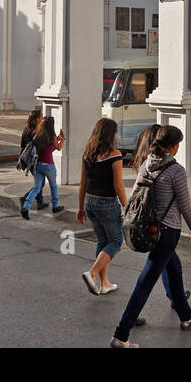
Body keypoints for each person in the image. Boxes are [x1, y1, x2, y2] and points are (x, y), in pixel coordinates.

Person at [111, 125, 191, 347]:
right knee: (145, 282)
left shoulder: (146, 165)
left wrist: (127, 219)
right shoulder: (176, 171)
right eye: (178, 143)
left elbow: (134, 196)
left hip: (148, 230)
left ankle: (186, 316)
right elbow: (184, 207)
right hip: (167, 232)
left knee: (173, 268)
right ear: (173, 146)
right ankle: (121, 335)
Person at [77, 118, 127, 294]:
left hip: (90, 202)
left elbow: (82, 184)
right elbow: (118, 185)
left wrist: (81, 207)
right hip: (107, 203)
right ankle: (92, 273)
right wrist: (127, 207)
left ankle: (104, 283)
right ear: (110, 134)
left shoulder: (87, 154)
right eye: (115, 132)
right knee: (116, 241)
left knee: (102, 240)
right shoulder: (115, 155)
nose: (116, 135)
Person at [21, 116, 64, 218]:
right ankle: (55, 206)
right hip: (49, 165)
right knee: (53, 186)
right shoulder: (51, 135)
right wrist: (62, 139)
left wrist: (58, 138)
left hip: (38, 165)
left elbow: (48, 148)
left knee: (36, 187)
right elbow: (58, 148)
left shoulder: (38, 135)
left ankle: (26, 207)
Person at [20, 107, 46, 209]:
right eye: (41, 116)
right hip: (36, 160)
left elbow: (22, 147)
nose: (42, 117)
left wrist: (20, 160)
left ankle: (40, 203)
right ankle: (26, 197)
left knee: (39, 181)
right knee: (40, 183)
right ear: (37, 119)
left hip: (30, 161)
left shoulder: (26, 131)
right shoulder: (38, 132)